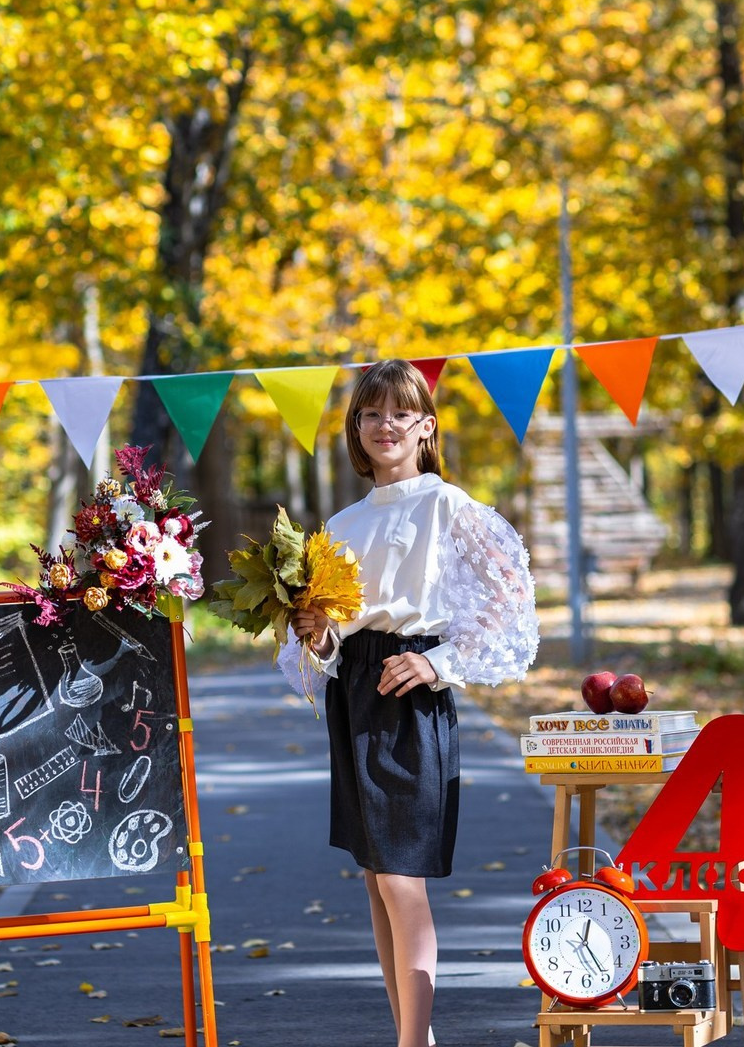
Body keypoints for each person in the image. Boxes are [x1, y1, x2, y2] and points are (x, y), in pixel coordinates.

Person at [279, 358, 538, 1047]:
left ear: (425, 426)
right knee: (374, 877)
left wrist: (439, 661)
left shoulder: (449, 506)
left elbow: (512, 601)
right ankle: (410, 1033)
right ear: (354, 429)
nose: (384, 424)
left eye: (399, 412)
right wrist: (319, 636)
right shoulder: (339, 523)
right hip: (354, 693)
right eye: (370, 413)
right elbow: (330, 641)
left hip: (408, 691)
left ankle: (413, 1043)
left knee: (401, 878)